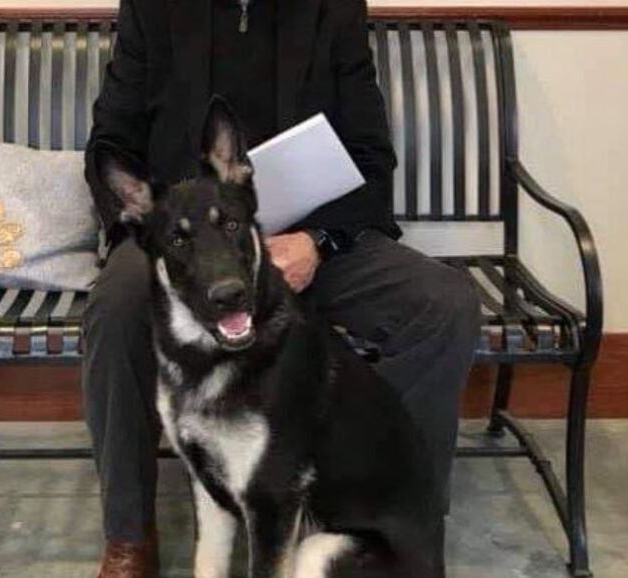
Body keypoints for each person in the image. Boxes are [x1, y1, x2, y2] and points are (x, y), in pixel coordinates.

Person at [82, 1, 482, 576]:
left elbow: (371, 156)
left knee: (444, 305)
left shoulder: (333, 9)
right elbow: (111, 142)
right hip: (188, 240)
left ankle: (399, 524)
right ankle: (128, 536)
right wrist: (153, 233)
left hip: (313, 236)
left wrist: (319, 241)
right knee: (116, 306)